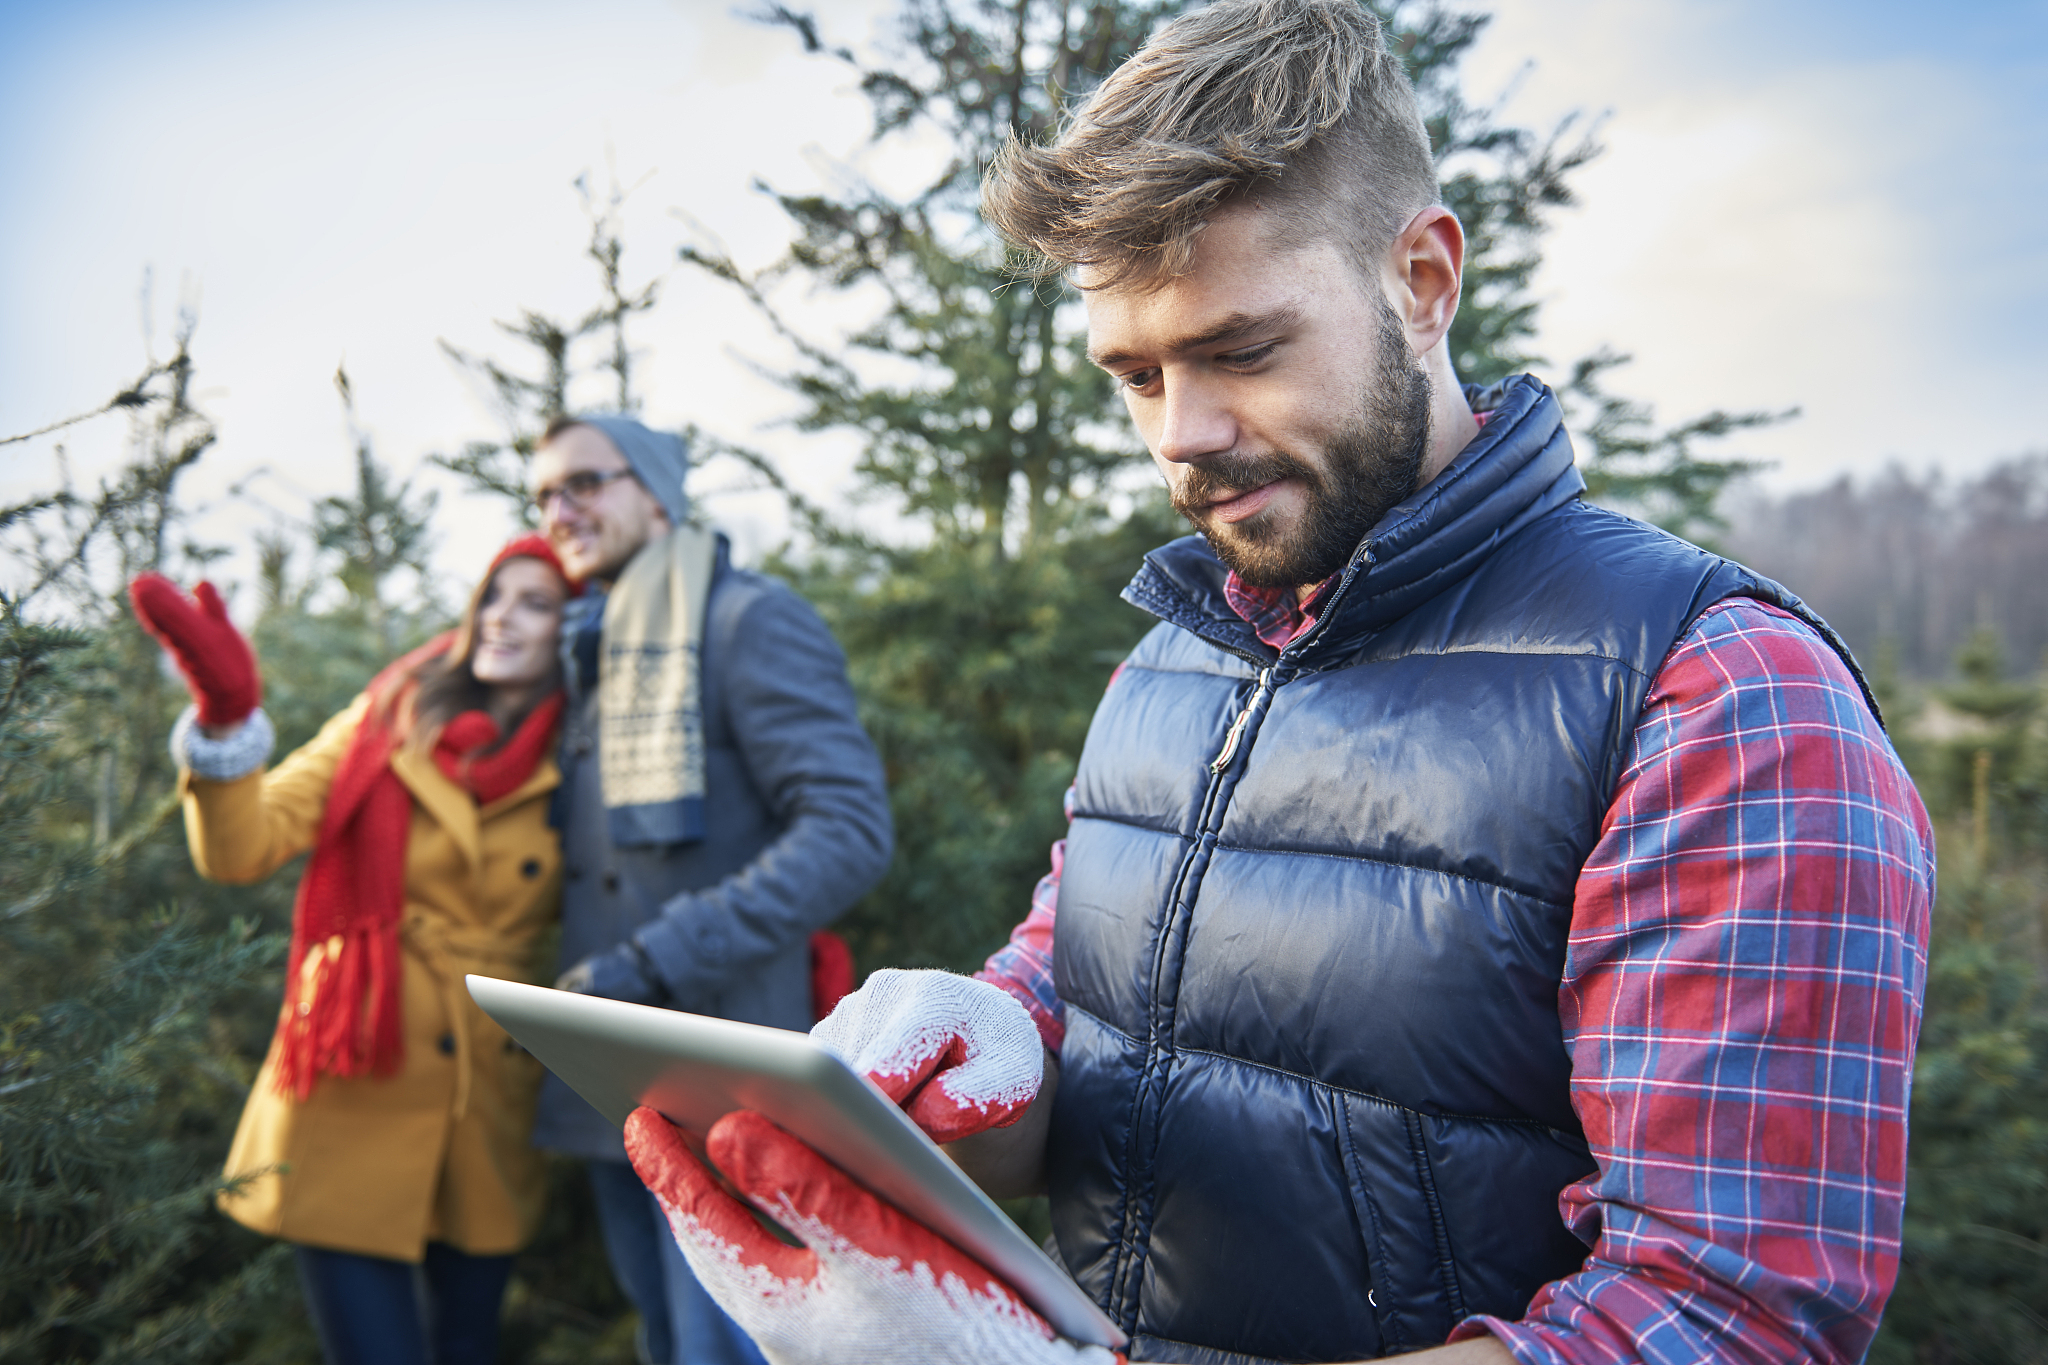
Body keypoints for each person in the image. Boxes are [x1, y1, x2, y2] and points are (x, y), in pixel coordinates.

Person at [616, 2, 1938, 1363]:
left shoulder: (1715, 697)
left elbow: (1725, 1315)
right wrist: (971, 1054)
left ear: (1423, 282)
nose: (1182, 438)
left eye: (1242, 349)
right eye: (1135, 374)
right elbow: (1085, 1028)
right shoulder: (1177, 654)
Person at [131, 536, 579, 1365]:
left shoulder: (586, 758)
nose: (502, 617)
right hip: (352, 1082)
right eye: (494, 595)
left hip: (489, 1106)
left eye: (536, 602)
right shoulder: (385, 719)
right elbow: (242, 849)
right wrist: (226, 723)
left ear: (576, 628)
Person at [523, 414, 893, 1365]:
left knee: (725, 1351)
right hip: (617, 1077)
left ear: (655, 492)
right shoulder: (592, 649)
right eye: (541, 494)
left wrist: (659, 956)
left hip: (720, 1080)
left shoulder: (745, 618)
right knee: (666, 1341)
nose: (558, 510)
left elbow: (848, 832)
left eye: (583, 484)